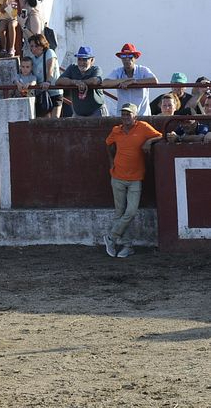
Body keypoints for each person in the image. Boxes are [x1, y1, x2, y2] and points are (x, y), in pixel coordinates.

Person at [103, 103, 162, 258]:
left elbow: (160, 135)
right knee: (120, 212)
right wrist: (111, 163)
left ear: (135, 116)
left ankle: (111, 237)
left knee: (130, 211)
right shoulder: (116, 130)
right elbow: (108, 144)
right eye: (123, 114)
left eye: (128, 114)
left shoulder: (143, 127)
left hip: (136, 177)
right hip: (117, 176)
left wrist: (149, 141)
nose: (125, 117)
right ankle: (127, 246)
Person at [101, 43, 158, 116]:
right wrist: (125, 80)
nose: (127, 59)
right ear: (121, 59)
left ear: (135, 58)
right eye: (124, 56)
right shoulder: (117, 71)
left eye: (130, 56)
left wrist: (134, 81)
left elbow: (154, 80)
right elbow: (105, 83)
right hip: (124, 116)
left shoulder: (143, 70)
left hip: (142, 115)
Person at [56, 45, 106, 117]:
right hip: (78, 113)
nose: (81, 62)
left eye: (85, 59)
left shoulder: (96, 69)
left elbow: (96, 80)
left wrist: (82, 83)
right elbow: (59, 81)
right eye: (79, 59)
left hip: (96, 112)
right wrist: (75, 82)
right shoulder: (72, 68)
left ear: (92, 60)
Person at [27, 33, 61, 118]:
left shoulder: (49, 52)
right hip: (42, 92)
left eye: (35, 46)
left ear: (42, 45)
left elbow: (50, 68)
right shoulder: (32, 59)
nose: (33, 49)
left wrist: (48, 81)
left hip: (54, 91)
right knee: (45, 120)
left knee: (55, 119)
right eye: (31, 46)